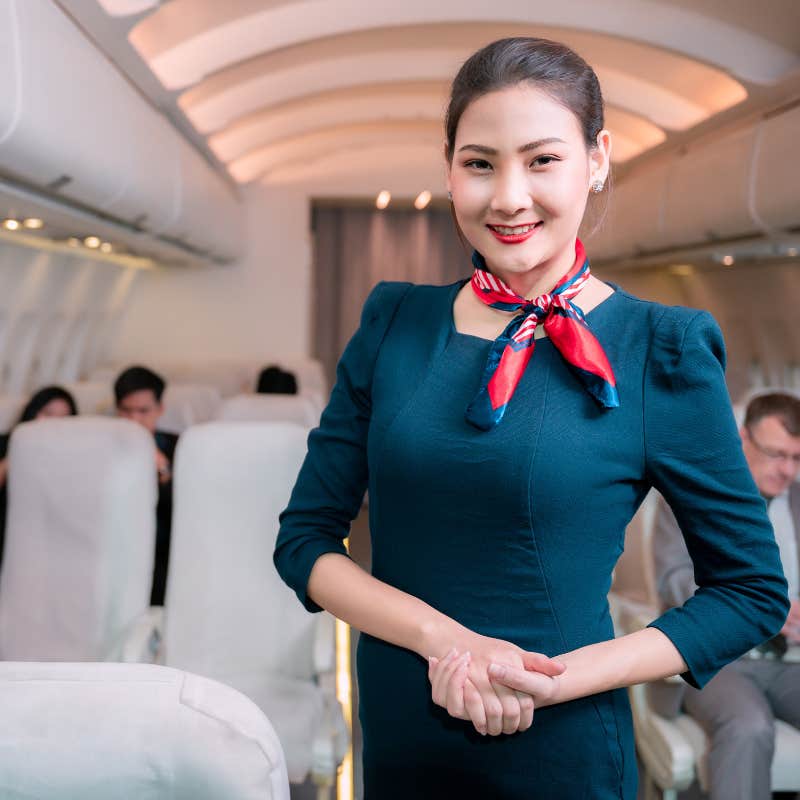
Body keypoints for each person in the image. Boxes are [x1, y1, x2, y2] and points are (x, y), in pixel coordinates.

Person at [273, 37, 789, 799]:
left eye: (542, 160)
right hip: (399, 728)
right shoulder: (393, 324)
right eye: (480, 163)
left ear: (598, 158)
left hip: (559, 735)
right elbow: (305, 539)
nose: (508, 197)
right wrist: (447, 641)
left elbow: (749, 591)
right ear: (449, 167)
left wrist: (550, 680)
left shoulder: (662, 350)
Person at [652, 391, 800, 800]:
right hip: (721, 659)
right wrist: (756, 606)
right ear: (743, 440)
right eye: (776, 454)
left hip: (790, 661)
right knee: (749, 726)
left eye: (796, 457)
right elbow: (673, 580)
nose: (786, 470)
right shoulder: (692, 497)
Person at [114, 365, 177, 606]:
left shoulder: (177, 447)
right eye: (126, 411)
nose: (134, 420)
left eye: (143, 411)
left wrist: (162, 469)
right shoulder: (101, 446)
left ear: (160, 409)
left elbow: (183, 514)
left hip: (160, 554)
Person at [0, 386, 78, 567]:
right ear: (33, 413)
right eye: (48, 414)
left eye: (63, 419)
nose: (53, 424)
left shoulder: (71, 461)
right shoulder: (7, 443)